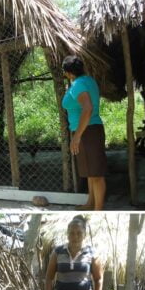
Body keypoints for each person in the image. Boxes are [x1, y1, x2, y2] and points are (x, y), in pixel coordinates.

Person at [61, 55, 107, 210]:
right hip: (90, 130)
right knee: (90, 171)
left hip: (87, 132)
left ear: (67, 72)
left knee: (96, 174)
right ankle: (91, 203)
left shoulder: (77, 85)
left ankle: (98, 210)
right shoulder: (89, 81)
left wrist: (77, 136)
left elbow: (88, 108)